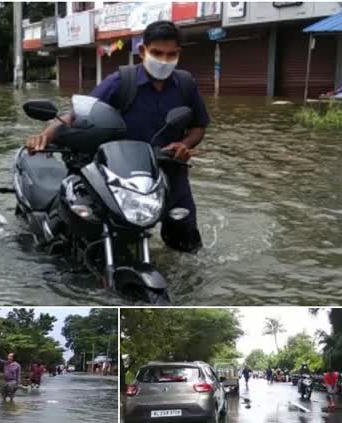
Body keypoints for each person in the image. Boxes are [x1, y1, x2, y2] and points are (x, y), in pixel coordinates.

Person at [25, 20, 210, 253]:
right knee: (106, 234)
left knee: (186, 243)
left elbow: (198, 127)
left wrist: (183, 145)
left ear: (179, 54)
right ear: (142, 51)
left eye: (171, 54)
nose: (164, 60)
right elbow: (79, 115)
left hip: (170, 169)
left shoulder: (186, 84)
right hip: (123, 172)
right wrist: (44, 136)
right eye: (157, 53)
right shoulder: (121, 82)